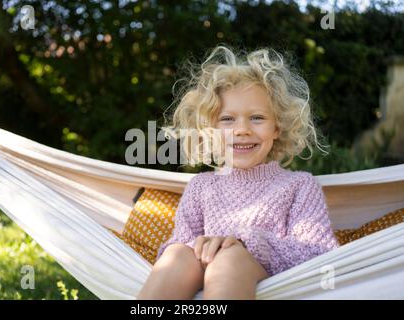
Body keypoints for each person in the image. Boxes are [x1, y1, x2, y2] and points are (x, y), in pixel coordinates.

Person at [136, 45, 340, 300]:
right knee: (176, 254)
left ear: (277, 127)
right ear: (210, 129)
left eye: (256, 118)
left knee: (228, 258)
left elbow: (317, 253)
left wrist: (245, 242)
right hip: (200, 273)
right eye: (227, 119)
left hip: (269, 279)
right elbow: (183, 242)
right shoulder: (201, 186)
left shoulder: (299, 185)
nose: (241, 129)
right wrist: (198, 248)